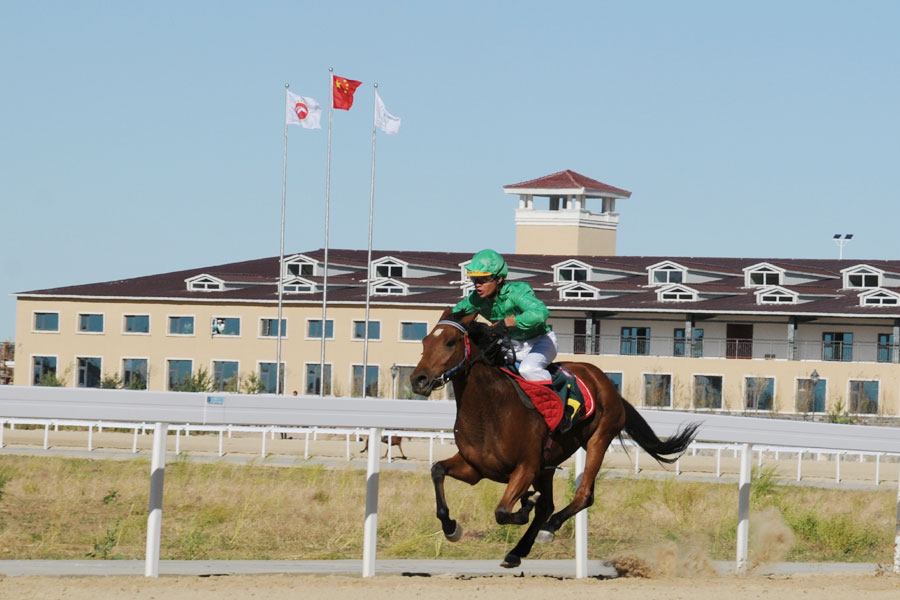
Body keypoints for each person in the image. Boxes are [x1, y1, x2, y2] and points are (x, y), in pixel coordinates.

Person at [452, 249, 581, 433]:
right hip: (512, 346)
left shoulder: (517, 292)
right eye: (474, 280)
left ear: (498, 279)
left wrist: (508, 322)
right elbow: (454, 314)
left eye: (483, 280)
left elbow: (540, 313)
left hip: (541, 342)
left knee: (528, 369)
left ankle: (561, 406)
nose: (477, 285)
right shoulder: (476, 299)